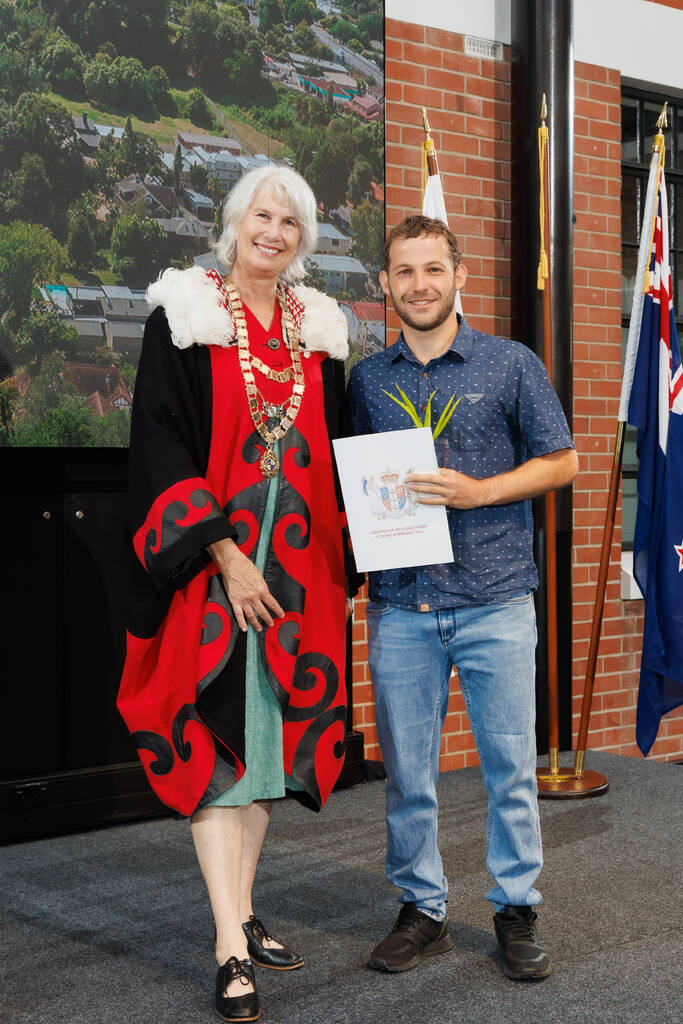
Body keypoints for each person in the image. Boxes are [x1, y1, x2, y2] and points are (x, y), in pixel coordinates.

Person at [118, 165, 358, 1022]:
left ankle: (244, 912)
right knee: (216, 751)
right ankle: (227, 946)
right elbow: (158, 442)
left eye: (291, 222)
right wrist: (222, 552)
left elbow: (342, 455)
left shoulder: (318, 329)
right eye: (264, 215)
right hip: (213, 570)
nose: (276, 233)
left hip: (296, 570)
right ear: (235, 221)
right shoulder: (185, 316)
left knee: (263, 746)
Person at [346, 215, 578, 982]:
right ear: (385, 283)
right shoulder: (366, 380)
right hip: (401, 607)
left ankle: (515, 907)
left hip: (495, 601)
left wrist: (480, 492)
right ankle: (423, 909)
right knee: (408, 775)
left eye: (432, 269)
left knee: (508, 769)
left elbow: (562, 460)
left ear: (458, 276)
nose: (418, 284)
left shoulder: (510, 364)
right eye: (404, 271)